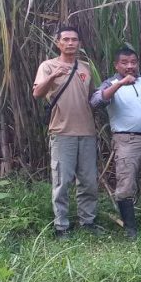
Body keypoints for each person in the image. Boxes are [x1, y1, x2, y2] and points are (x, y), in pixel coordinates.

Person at [32, 26, 102, 238]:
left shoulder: (86, 67)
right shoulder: (48, 66)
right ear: (58, 43)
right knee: (62, 182)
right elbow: (37, 93)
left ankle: (88, 221)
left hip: (87, 132)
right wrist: (52, 76)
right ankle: (61, 226)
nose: (71, 43)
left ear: (79, 43)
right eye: (66, 39)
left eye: (75, 39)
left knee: (88, 181)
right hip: (62, 132)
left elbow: (95, 97)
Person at [90, 47, 141, 239]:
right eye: (124, 63)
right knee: (126, 184)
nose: (130, 66)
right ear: (116, 65)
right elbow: (96, 103)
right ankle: (130, 229)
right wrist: (120, 84)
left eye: (133, 62)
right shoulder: (110, 83)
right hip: (126, 140)